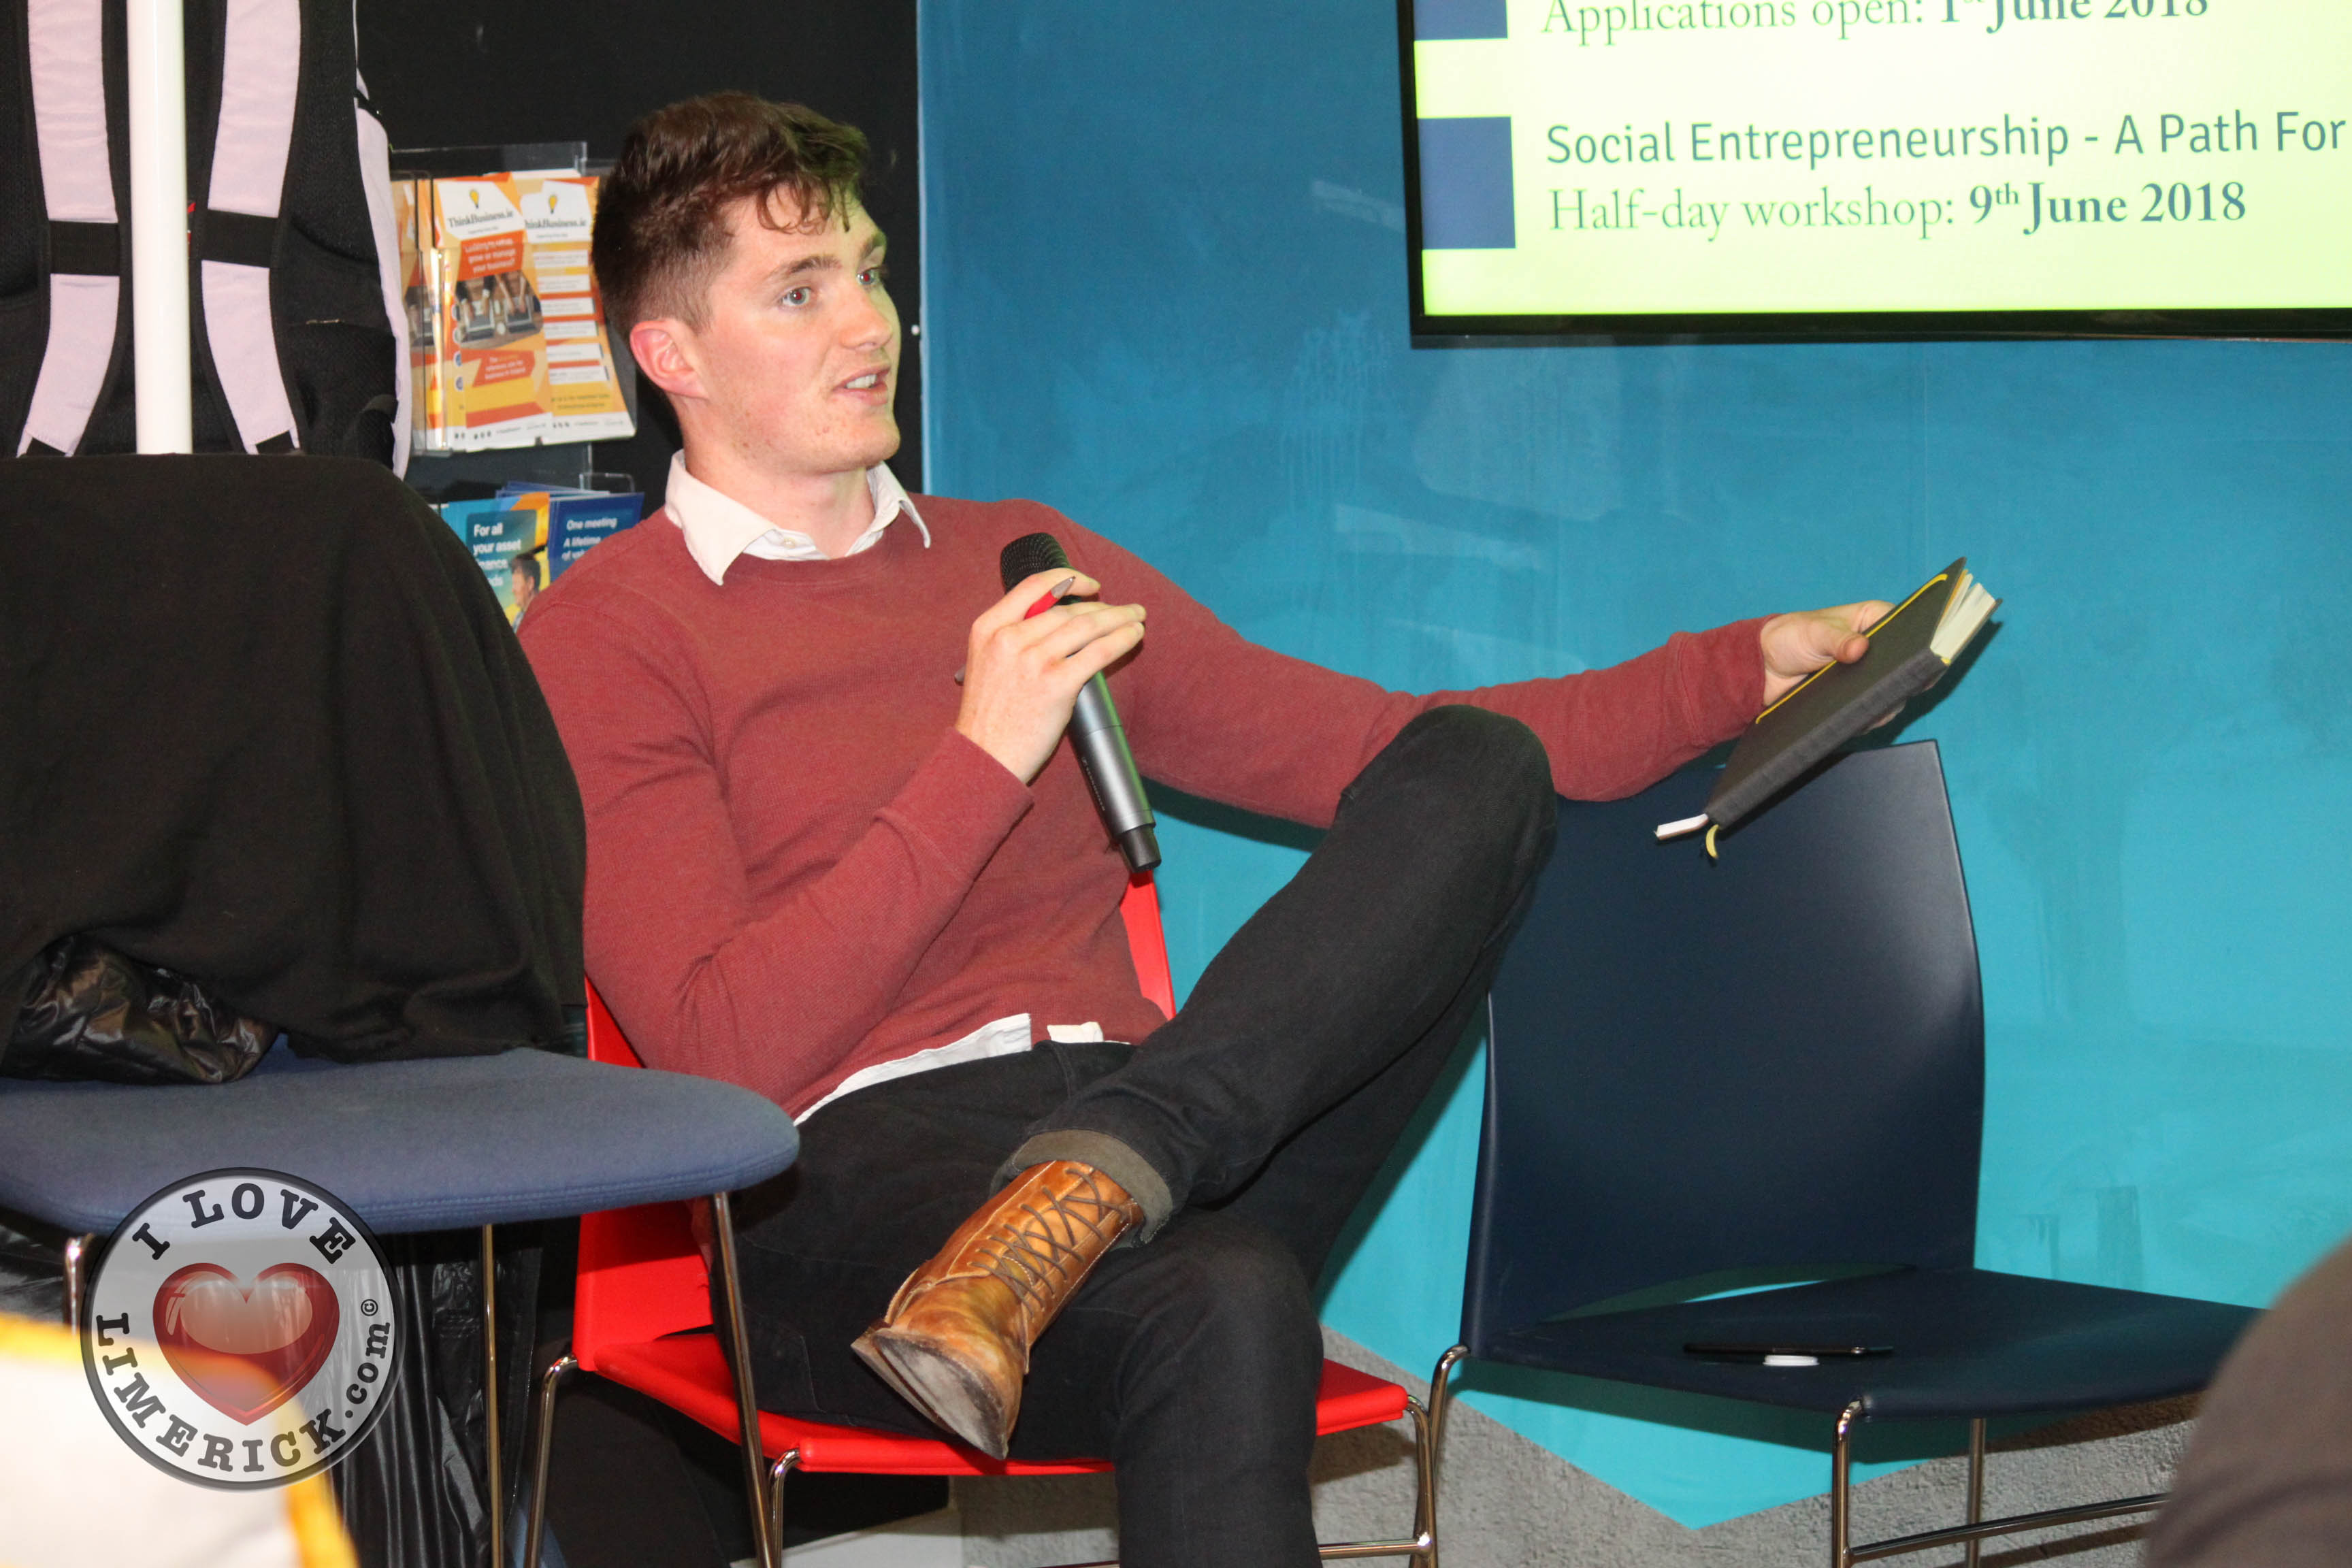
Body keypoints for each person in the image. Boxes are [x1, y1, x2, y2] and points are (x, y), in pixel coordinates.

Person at [519, 91, 1889, 1567]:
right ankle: (1083, 1194)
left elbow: (1377, 745)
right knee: (1229, 1300)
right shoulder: (608, 636)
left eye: (866, 269)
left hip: (1157, 1123)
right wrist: (985, 753)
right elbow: (722, 1057)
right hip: (847, 1200)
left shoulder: (1016, 558)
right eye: (800, 292)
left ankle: (1094, 1179)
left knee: (1471, 769)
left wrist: (1732, 675)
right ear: (672, 355)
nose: (869, 322)